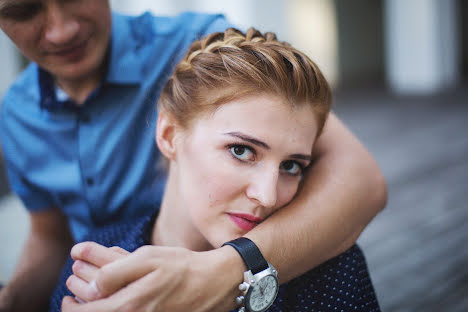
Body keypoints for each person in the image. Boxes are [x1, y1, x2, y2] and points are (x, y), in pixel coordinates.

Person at [0, 1, 387, 311]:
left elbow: (360, 181)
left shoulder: (204, 44)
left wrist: (227, 271)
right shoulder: (15, 116)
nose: (62, 28)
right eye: (23, 10)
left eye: (291, 166)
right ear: (167, 134)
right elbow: (49, 237)